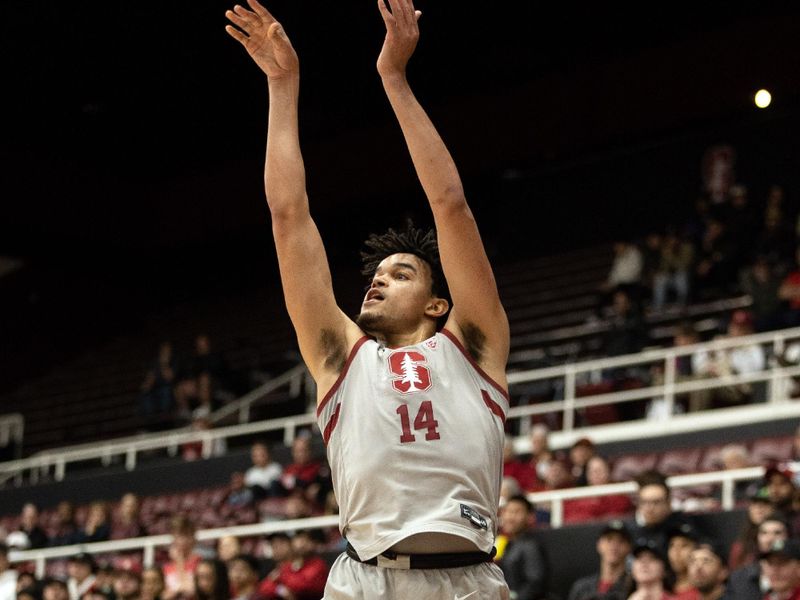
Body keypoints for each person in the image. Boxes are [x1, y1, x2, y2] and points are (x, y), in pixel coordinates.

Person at [225, 0, 510, 597]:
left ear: (439, 303)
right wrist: (282, 86)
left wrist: (395, 79)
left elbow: (450, 203)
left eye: (401, 274)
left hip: (468, 582)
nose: (376, 281)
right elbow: (288, 216)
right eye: (376, 275)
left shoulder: (475, 346)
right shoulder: (339, 359)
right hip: (365, 581)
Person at [726, 514, 790, 600]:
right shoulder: (739, 579)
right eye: (764, 533)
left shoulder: (796, 576)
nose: (770, 539)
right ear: (757, 538)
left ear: (788, 538)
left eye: (777, 533)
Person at [496, 496, 547, 600]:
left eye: (516, 512)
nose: (509, 517)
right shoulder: (504, 543)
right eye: (507, 511)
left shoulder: (531, 546)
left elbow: (534, 584)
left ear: (530, 517)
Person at [567, 520, 633, 600]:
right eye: (609, 539)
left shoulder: (632, 586)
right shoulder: (582, 587)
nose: (614, 546)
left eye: (621, 541)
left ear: (629, 547)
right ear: (599, 544)